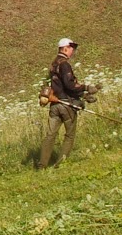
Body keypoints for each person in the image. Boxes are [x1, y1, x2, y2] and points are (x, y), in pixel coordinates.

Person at [39, 37, 95, 167]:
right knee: (69, 135)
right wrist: (86, 88)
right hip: (66, 105)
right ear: (64, 48)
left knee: (50, 135)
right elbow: (69, 85)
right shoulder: (64, 64)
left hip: (54, 105)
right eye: (71, 48)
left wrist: (82, 95)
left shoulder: (53, 64)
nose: (72, 51)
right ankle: (60, 163)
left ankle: (42, 164)